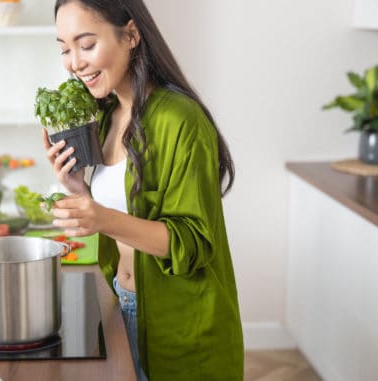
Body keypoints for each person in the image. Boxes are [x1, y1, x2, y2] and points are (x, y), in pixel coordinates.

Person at [43, 0, 244, 380]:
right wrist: (79, 191)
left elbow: (193, 242)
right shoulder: (107, 115)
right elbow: (122, 213)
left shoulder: (179, 119)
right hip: (124, 302)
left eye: (86, 45)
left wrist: (101, 217)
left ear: (131, 34)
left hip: (181, 327)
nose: (74, 62)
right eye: (65, 48)